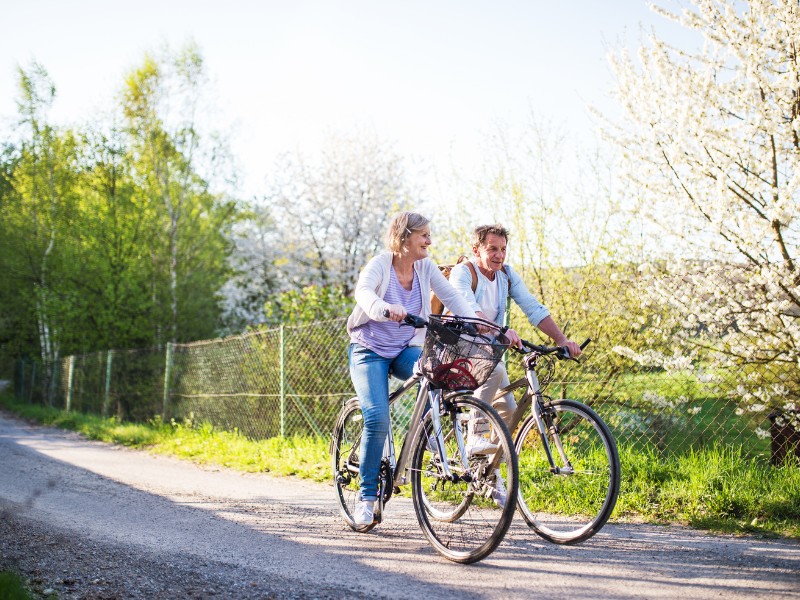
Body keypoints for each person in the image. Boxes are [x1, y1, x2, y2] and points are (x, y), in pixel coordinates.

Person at [346, 211, 480, 526]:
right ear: (404, 237)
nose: (430, 241)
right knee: (377, 418)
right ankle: (366, 498)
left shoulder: (425, 267)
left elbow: (451, 296)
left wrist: (476, 324)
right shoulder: (382, 263)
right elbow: (363, 292)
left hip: (405, 348)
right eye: (424, 235)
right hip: (369, 350)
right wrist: (382, 308)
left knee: (435, 378)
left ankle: (428, 434)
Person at [449, 223, 582, 504]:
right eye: (492, 249)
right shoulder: (464, 272)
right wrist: (498, 331)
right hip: (457, 347)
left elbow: (532, 307)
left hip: (489, 350)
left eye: (503, 249)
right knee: (495, 370)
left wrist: (561, 340)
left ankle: (488, 473)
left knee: (510, 414)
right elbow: (467, 308)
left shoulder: (506, 276)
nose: (499, 255)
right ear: (476, 250)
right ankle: (475, 436)